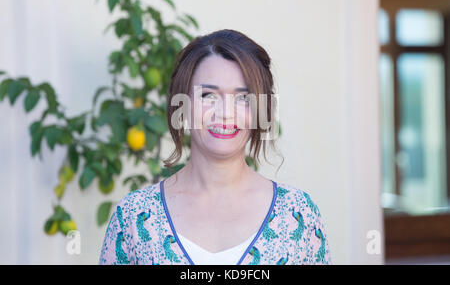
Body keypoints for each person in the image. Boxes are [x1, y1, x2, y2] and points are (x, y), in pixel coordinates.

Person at [99, 29, 331, 265]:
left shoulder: (297, 215)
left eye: (243, 98)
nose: (225, 113)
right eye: (208, 95)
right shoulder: (133, 215)